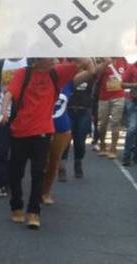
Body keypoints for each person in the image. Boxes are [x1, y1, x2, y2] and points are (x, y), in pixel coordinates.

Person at [2, 58, 93, 229]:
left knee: (38, 171)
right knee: (16, 171)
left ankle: (34, 212)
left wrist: (82, 55)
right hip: (20, 129)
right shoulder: (24, 72)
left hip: (43, 130)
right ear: (39, 57)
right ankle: (16, 205)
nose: (54, 59)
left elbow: (90, 69)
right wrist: (5, 109)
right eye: (50, 56)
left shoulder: (57, 72)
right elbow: (10, 92)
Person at [43, 59, 95, 204]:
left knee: (54, 161)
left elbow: (91, 71)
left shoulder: (70, 83)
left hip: (61, 127)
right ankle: (37, 190)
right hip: (41, 126)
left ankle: (46, 192)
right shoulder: (41, 80)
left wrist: (86, 59)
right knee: (41, 161)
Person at [94, 57, 128, 159]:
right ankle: (102, 145)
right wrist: (105, 62)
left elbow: (126, 76)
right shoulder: (102, 59)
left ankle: (113, 149)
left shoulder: (123, 60)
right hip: (104, 97)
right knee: (102, 124)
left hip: (119, 96)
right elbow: (95, 74)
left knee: (115, 122)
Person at [66, 69, 97, 178]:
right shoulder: (68, 73)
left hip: (84, 111)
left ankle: (78, 163)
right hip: (68, 110)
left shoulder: (90, 75)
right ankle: (61, 167)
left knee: (80, 140)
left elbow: (97, 69)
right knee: (65, 139)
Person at [121, 59, 137, 167]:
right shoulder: (132, 67)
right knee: (132, 128)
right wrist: (134, 85)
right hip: (134, 101)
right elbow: (122, 84)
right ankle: (126, 156)